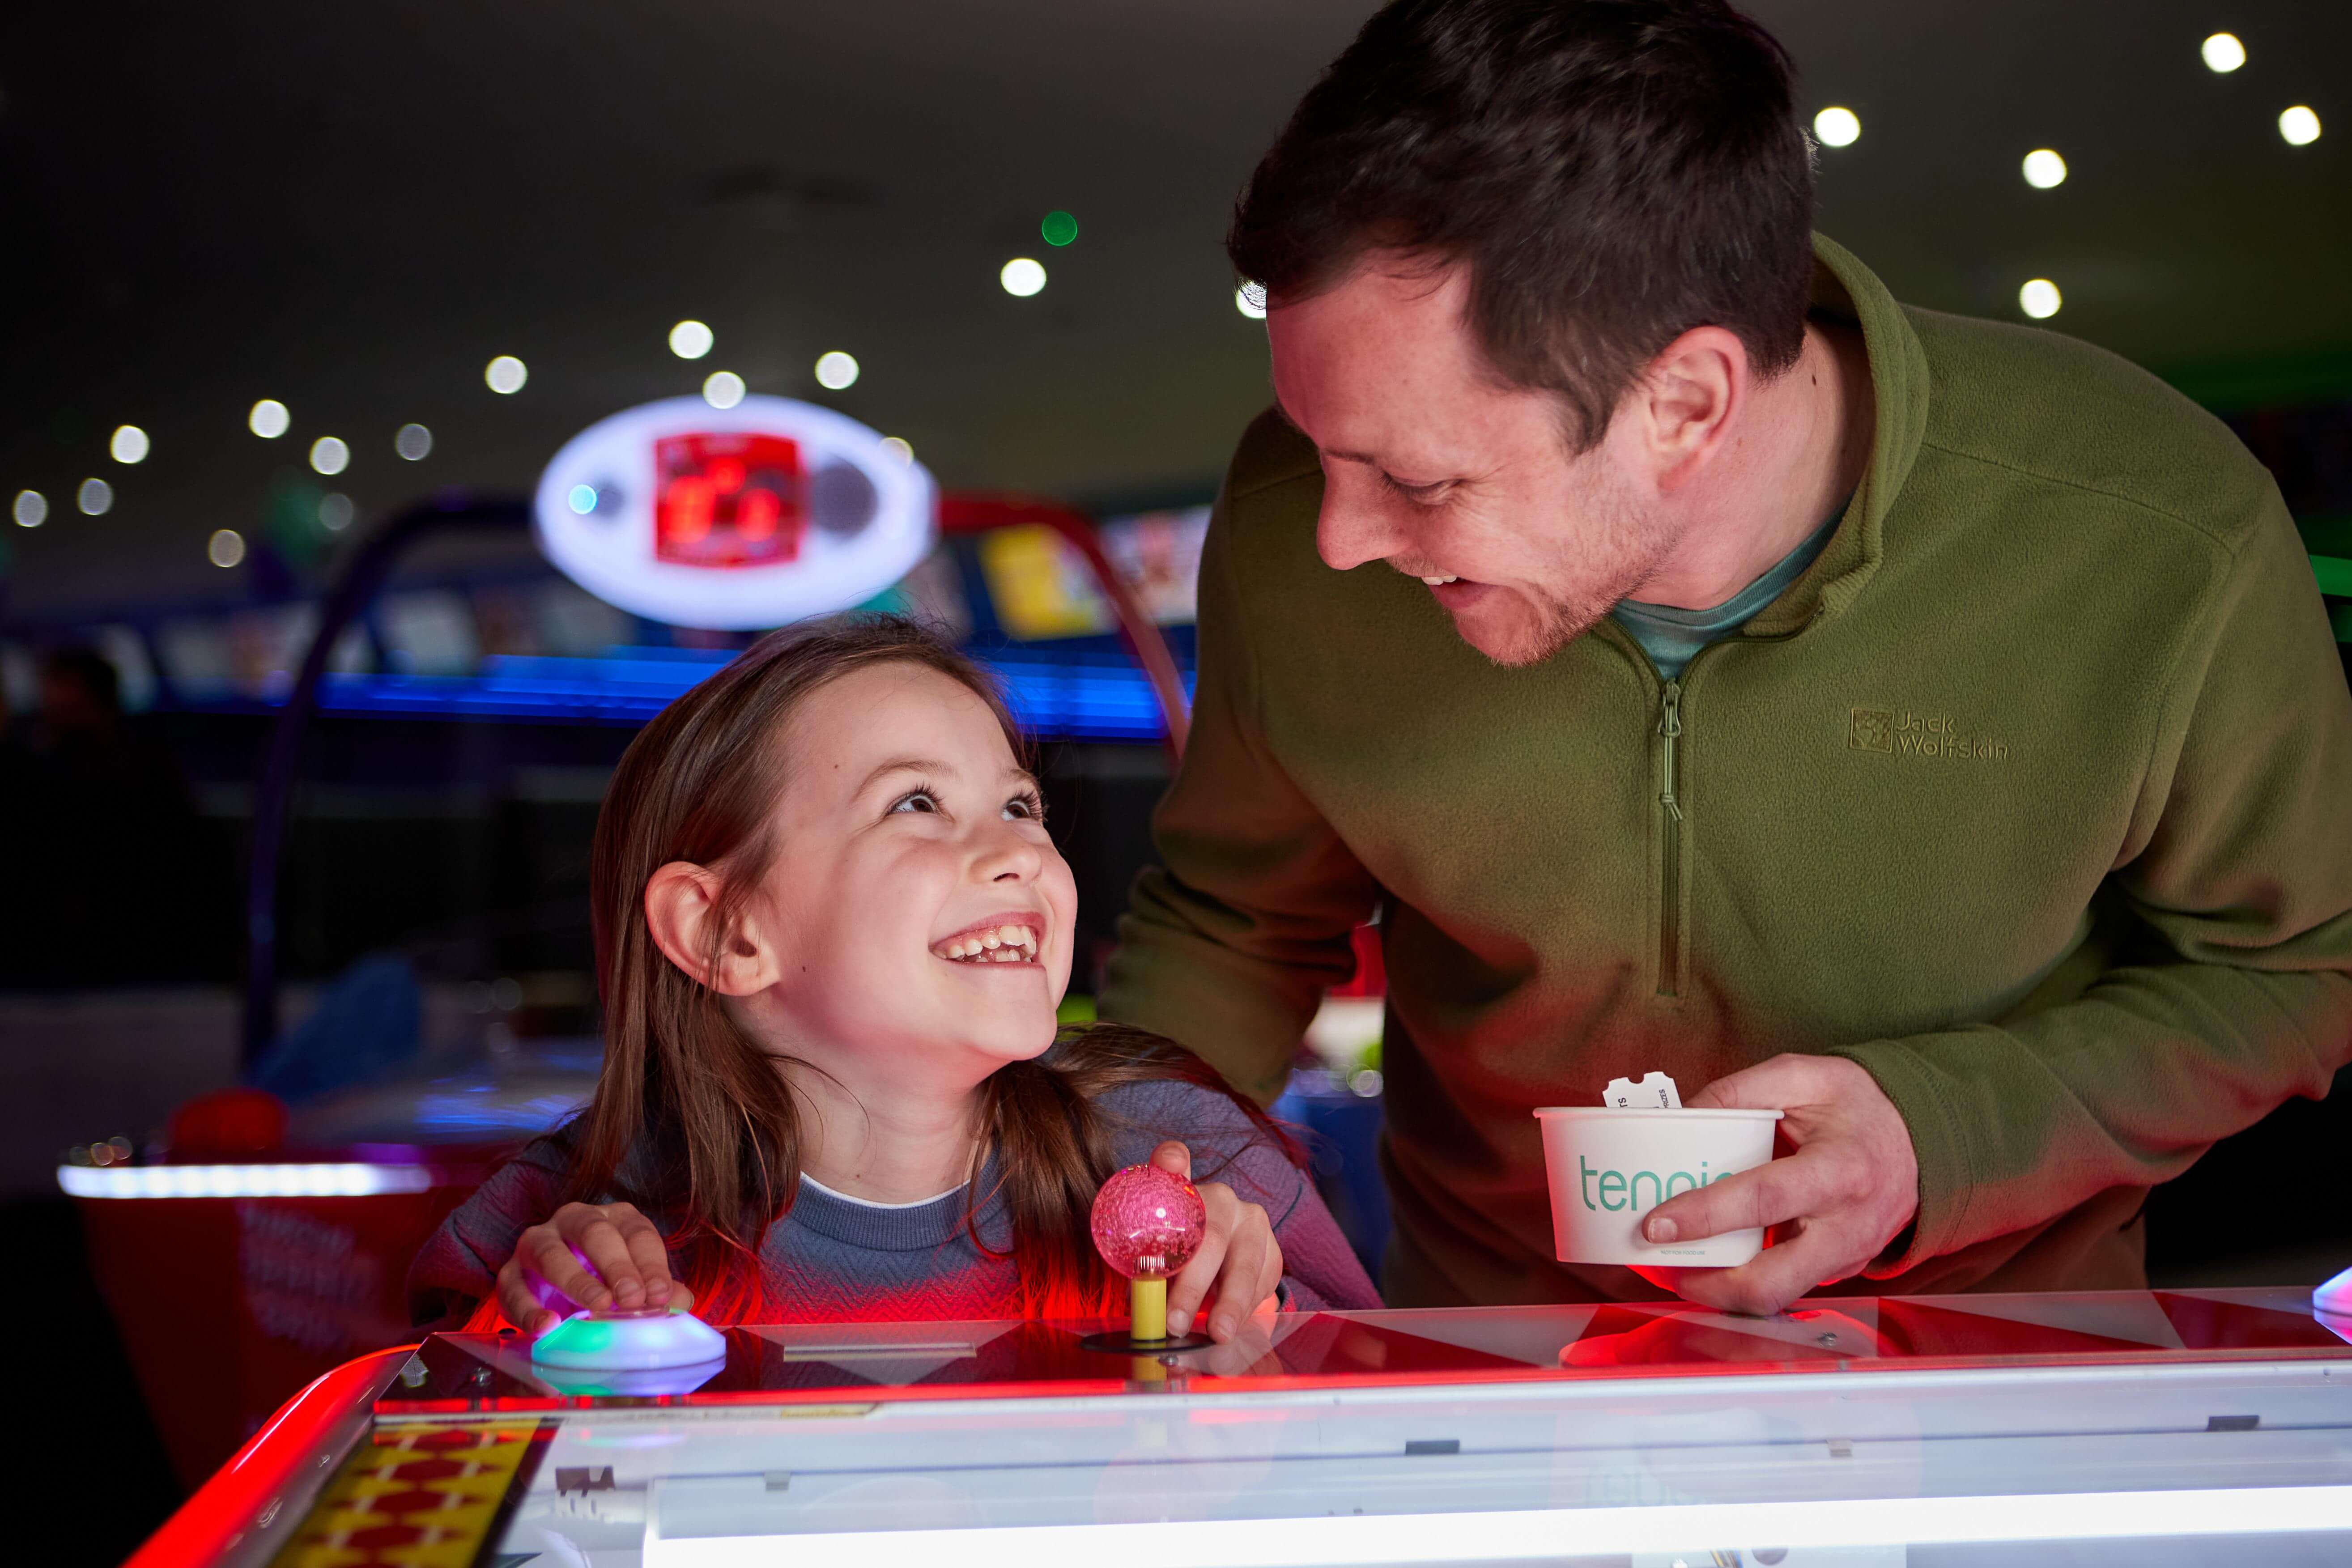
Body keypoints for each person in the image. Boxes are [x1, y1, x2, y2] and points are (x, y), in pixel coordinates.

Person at [1098, 0, 2352, 1316]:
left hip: (1993, 1369)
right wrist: (1130, 1166)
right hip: (1491, 1367)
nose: (1339, 538)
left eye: (1418, 478)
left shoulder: (2159, 536)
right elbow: (1234, 918)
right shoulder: (1290, 526)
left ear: (1685, 404)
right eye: (1323, 450)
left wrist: (1950, 1133)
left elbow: (2301, 967)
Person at [408, 617, 1377, 1340]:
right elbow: (432, 1449)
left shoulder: (1187, 1155)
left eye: (1020, 805)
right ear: (725, 931)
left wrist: (1261, 1322)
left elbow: (1386, 1416)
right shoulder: (579, 1223)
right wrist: (526, 1330)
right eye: (917, 802)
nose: (1016, 853)